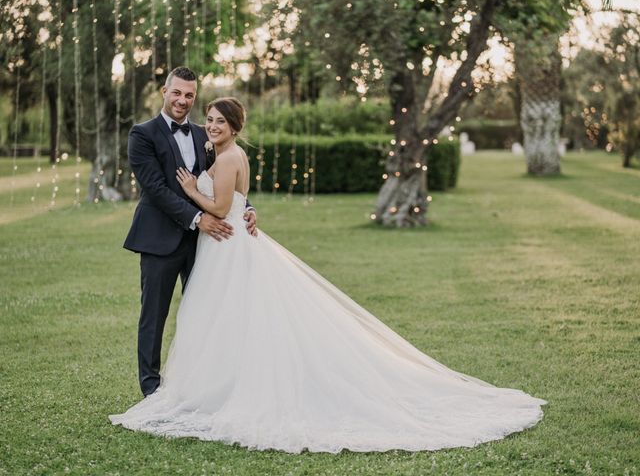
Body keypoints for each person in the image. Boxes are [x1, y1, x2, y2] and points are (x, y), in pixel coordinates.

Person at [110, 97, 546, 454]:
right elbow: (213, 193)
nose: (210, 123)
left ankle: (224, 388)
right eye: (209, 117)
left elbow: (222, 205)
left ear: (234, 126)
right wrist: (243, 207)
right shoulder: (186, 142)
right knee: (210, 316)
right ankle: (184, 384)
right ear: (169, 95)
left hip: (221, 241)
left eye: (218, 119)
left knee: (224, 317)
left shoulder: (225, 153)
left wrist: (193, 193)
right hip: (199, 241)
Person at [123, 67, 256, 397]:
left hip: (205, 244)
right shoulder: (143, 134)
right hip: (160, 239)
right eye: (177, 93)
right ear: (164, 92)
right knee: (154, 315)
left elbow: (220, 182)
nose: (183, 100)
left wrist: (247, 208)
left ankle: (205, 384)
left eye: (190, 95)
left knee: (206, 312)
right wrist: (198, 218)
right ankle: (152, 388)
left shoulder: (204, 134)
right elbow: (155, 188)